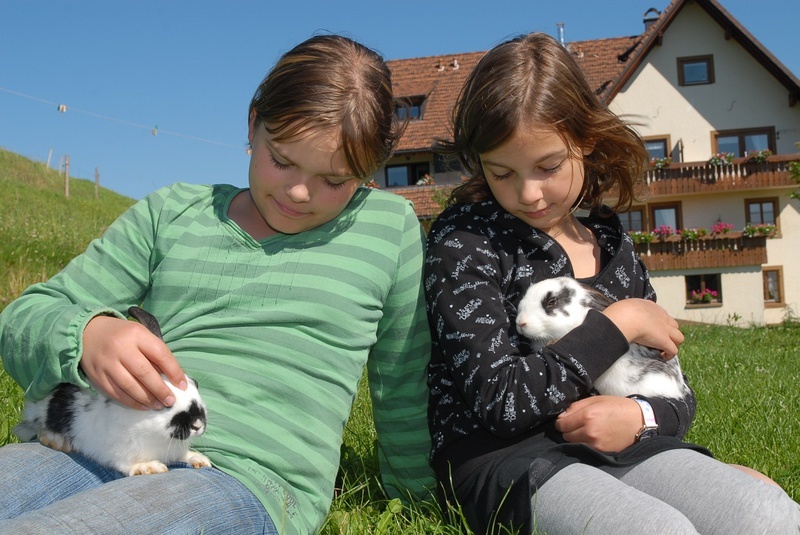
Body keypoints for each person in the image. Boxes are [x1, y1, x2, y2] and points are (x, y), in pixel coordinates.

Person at [0, 34, 434, 534]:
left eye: (334, 181)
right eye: (282, 160)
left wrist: (416, 501)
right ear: (253, 123)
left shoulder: (388, 229)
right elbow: (24, 319)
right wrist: (87, 335)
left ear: (369, 170)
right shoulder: (172, 211)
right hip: (91, 441)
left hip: (240, 479)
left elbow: (403, 386)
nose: (299, 191)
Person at [424, 32, 800, 534]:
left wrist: (642, 419)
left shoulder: (613, 246)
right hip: (507, 458)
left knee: (764, 512)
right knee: (655, 529)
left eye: (548, 167)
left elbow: (676, 390)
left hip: (627, 443)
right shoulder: (466, 241)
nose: (528, 193)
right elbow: (500, 402)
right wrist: (617, 324)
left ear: (586, 142)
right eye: (501, 173)